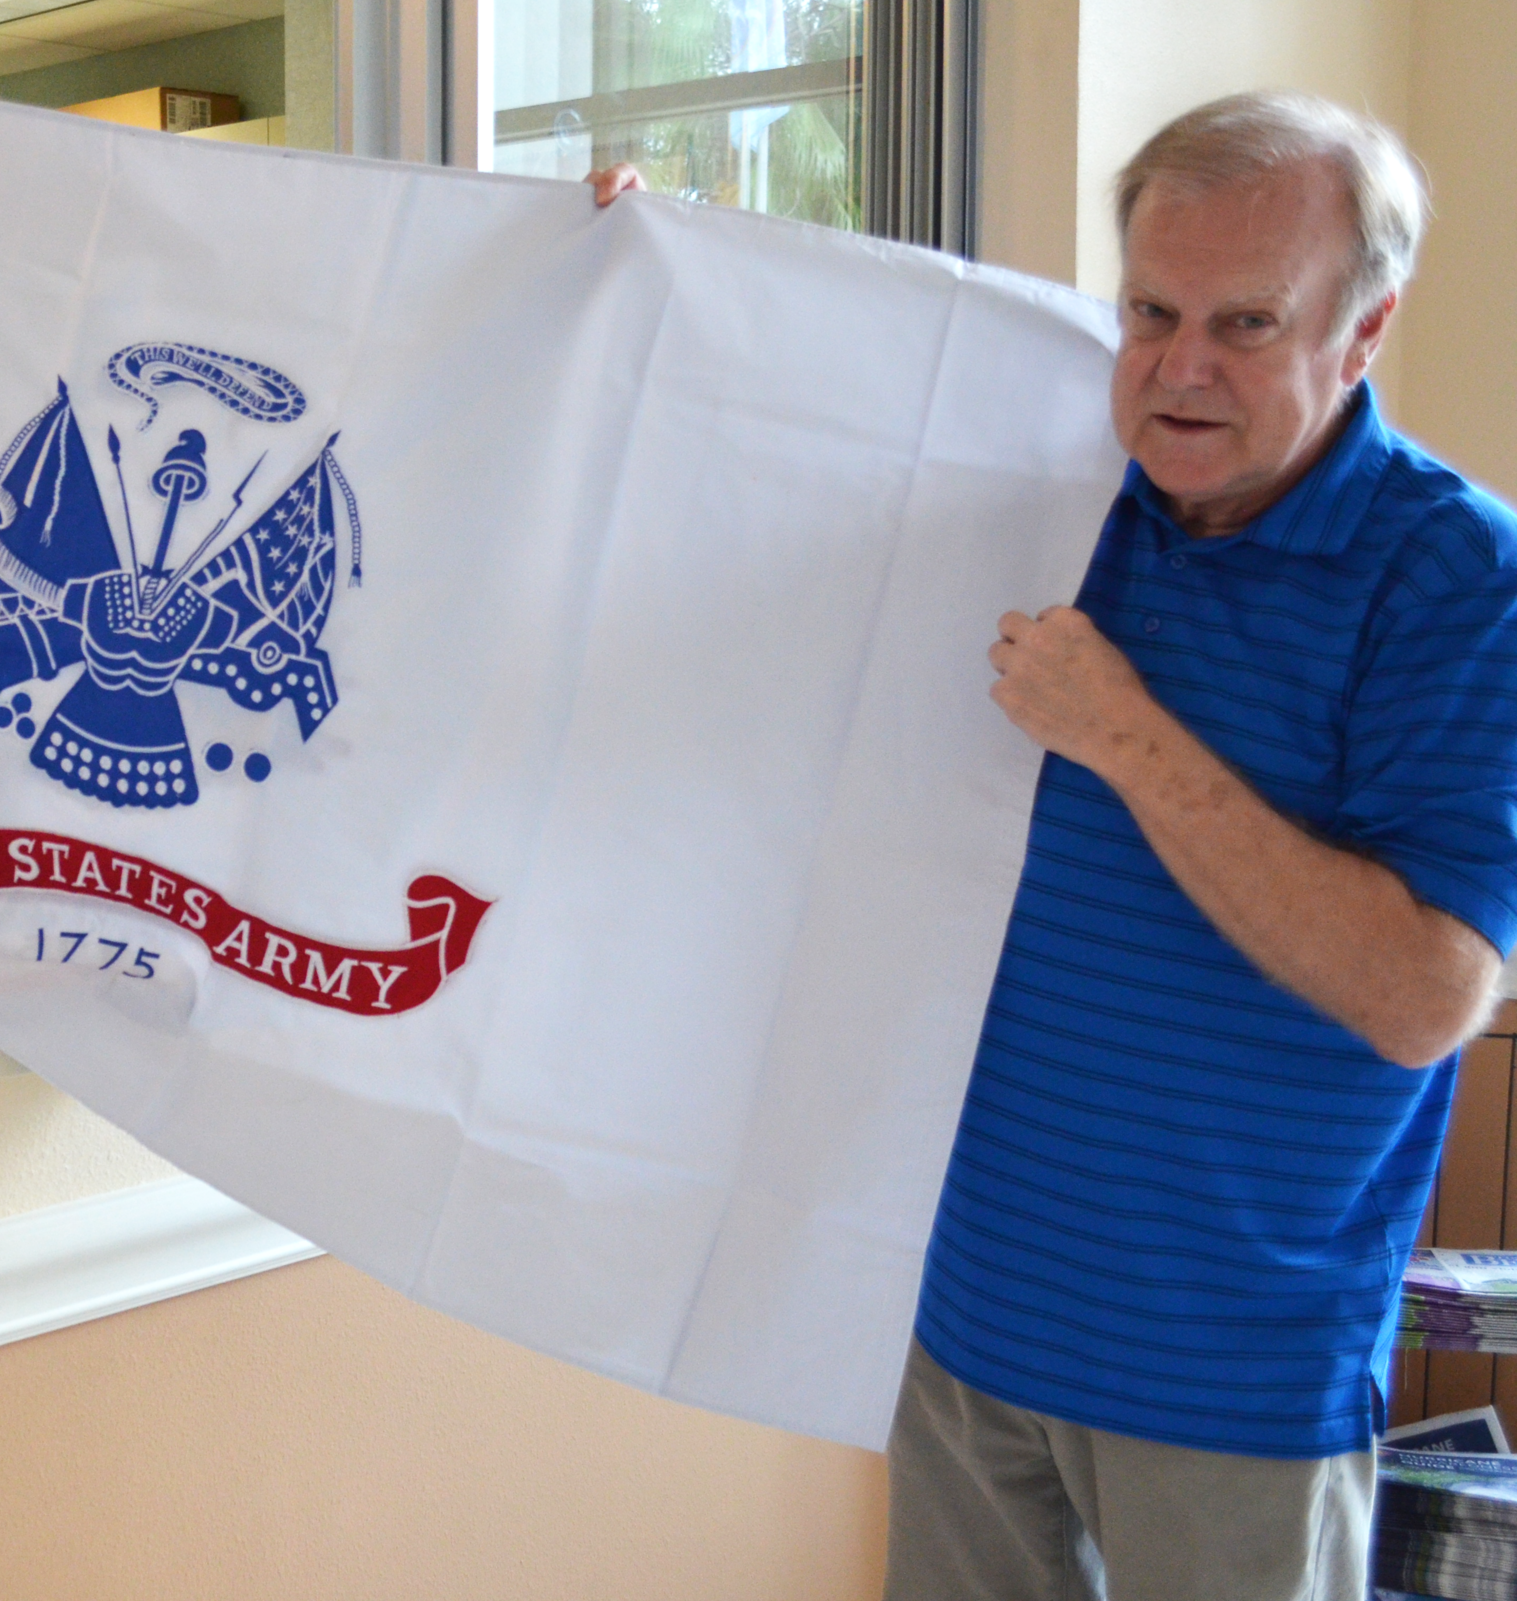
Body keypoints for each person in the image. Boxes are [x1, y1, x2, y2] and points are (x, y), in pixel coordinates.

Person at [603, 95, 1517, 1598]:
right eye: (1151, 311)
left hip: (1233, 1379)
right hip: (967, 1317)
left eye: (1245, 323)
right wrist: (652, 282)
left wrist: (1127, 734)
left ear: (1364, 332)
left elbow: (1427, 995)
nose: (1177, 370)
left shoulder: (1453, 574)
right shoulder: (1054, 488)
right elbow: (762, 460)